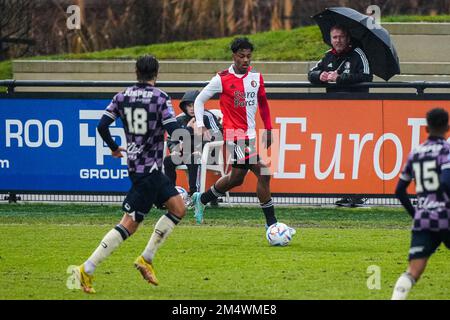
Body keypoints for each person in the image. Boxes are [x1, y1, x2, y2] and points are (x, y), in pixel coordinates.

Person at [71, 55, 186, 293]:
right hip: (149, 172)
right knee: (129, 225)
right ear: (156, 72)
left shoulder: (121, 96)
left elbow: (102, 125)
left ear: (136, 71)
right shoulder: (160, 97)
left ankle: (146, 258)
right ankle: (86, 269)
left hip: (139, 167)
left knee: (178, 208)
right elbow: (173, 129)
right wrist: (178, 144)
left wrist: (114, 148)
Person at [191, 37, 295, 239]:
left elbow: (263, 104)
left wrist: (269, 128)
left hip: (250, 135)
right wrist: (201, 125)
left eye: (248, 56)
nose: (246, 60)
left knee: (236, 179)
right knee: (264, 172)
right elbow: (199, 100)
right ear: (234, 56)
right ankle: (272, 225)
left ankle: (201, 198)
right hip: (234, 135)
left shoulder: (256, 77)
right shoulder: (221, 79)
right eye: (241, 56)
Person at [308, 24, 373, 207]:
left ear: (348, 38)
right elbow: (311, 73)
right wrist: (320, 76)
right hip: (335, 114)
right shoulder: (328, 56)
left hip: (357, 112)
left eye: (341, 36)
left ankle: (359, 193)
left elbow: (367, 76)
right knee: (342, 153)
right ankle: (347, 192)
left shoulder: (359, 54)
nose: (338, 40)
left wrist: (340, 78)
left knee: (358, 152)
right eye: (335, 37)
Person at [391, 108, 450, 300]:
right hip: (446, 216)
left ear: (426, 128)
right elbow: (447, 182)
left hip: (424, 218)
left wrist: (416, 214)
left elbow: (399, 190)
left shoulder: (416, 152)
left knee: (413, 270)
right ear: (447, 127)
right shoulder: (446, 150)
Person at [163, 90, 222, 200]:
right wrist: (174, 148)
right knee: (168, 160)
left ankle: (194, 196)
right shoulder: (180, 118)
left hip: (208, 155)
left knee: (194, 158)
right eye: (188, 106)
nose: (191, 108)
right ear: (184, 107)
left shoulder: (207, 116)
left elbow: (219, 134)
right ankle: (170, 196)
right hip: (185, 154)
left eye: (194, 105)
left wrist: (201, 147)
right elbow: (171, 138)